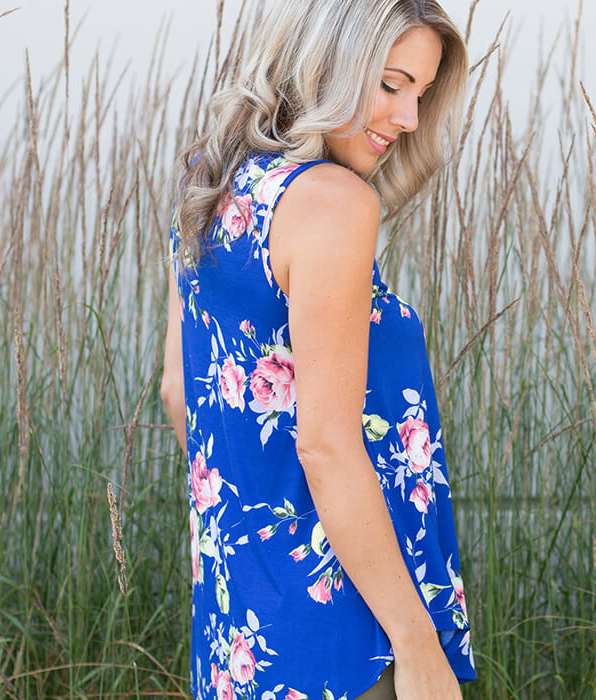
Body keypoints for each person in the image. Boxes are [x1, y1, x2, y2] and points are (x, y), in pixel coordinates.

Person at [158, 1, 472, 698]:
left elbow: (178, 392)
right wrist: (417, 645)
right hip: (349, 641)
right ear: (325, 64)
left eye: (419, 94)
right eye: (390, 85)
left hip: (241, 634)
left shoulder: (211, 180)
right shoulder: (332, 204)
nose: (409, 118)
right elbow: (327, 445)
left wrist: (263, 542)